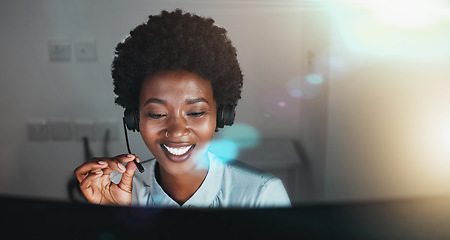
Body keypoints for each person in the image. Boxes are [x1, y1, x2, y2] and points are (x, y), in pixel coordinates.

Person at [74, 9, 291, 208]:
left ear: (222, 116)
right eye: (157, 114)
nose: (177, 131)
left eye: (196, 112)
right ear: (134, 118)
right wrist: (113, 216)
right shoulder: (115, 190)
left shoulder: (261, 195)